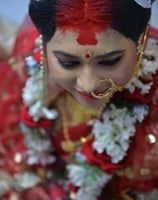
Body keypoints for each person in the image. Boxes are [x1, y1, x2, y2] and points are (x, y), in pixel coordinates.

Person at [0, 0, 158, 199]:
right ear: (44, 46)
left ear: (141, 42)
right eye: (68, 62)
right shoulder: (31, 63)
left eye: (110, 61)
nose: (88, 85)